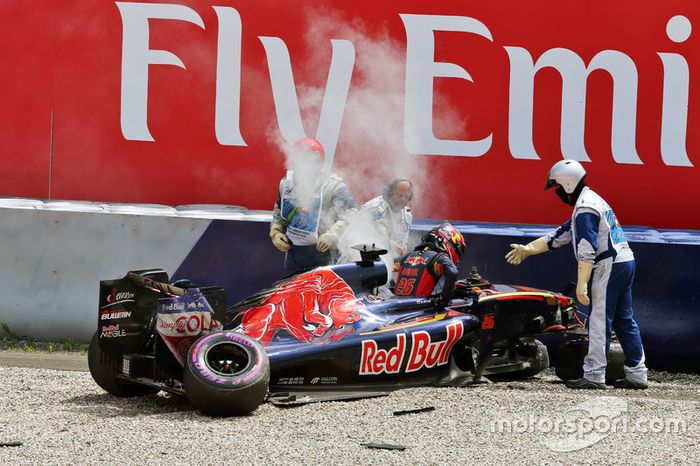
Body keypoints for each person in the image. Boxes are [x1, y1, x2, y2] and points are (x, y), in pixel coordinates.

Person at [505, 159, 648, 390]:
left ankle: (594, 375)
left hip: (609, 265)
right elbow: (559, 235)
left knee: (599, 321)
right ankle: (637, 374)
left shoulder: (585, 209)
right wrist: (527, 250)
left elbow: (587, 248)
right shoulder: (590, 201)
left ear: (568, 184)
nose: (557, 193)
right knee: (624, 320)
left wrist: (582, 283)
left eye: (557, 187)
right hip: (624, 261)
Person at [270, 138, 357, 275]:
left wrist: (332, 235)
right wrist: (275, 231)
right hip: (293, 253)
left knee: (321, 293)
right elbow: (279, 210)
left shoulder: (333, 185)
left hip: (323, 252)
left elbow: (351, 213)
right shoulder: (286, 184)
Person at [337, 177, 414, 267]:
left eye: (407, 197)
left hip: (384, 262)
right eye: (400, 196)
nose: (403, 200)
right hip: (354, 259)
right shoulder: (375, 208)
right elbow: (381, 234)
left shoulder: (407, 215)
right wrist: (392, 245)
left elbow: (402, 244)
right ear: (390, 193)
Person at [394, 223, 465, 307]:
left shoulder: (406, 256)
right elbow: (453, 272)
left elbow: (388, 266)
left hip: (396, 305)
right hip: (418, 310)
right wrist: (443, 300)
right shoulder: (439, 257)